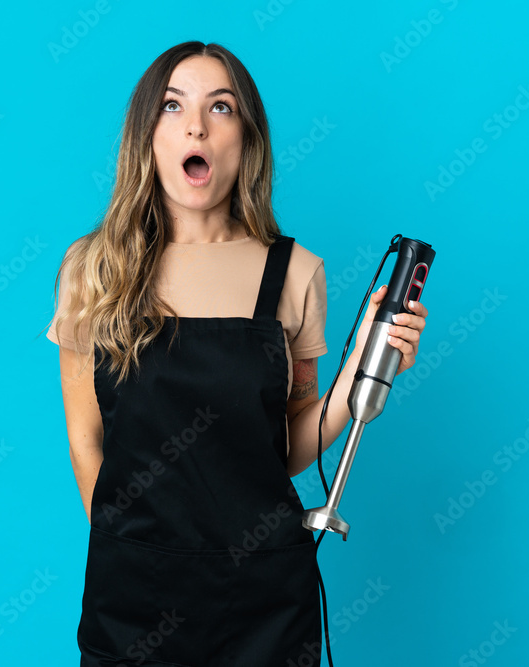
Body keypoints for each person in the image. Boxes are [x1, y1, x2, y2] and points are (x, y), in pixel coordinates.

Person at [45, 41, 428, 666]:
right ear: (146, 136)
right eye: (173, 106)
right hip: (132, 602)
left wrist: (363, 379)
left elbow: (285, 449)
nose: (196, 123)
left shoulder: (297, 274)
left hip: (264, 605)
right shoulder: (93, 268)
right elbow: (86, 441)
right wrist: (134, 549)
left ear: (246, 139)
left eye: (220, 107)